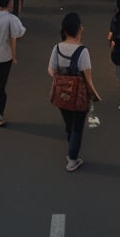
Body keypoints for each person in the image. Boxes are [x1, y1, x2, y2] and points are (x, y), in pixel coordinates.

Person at [47, 12, 102, 172]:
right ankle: (72, 159)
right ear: (78, 29)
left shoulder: (57, 48)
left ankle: (71, 150)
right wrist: (95, 95)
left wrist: (61, 78)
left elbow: (51, 70)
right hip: (78, 96)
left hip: (61, 95)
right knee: (78, 127)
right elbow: (88, 78)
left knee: (69, 124)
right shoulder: (83, 52)